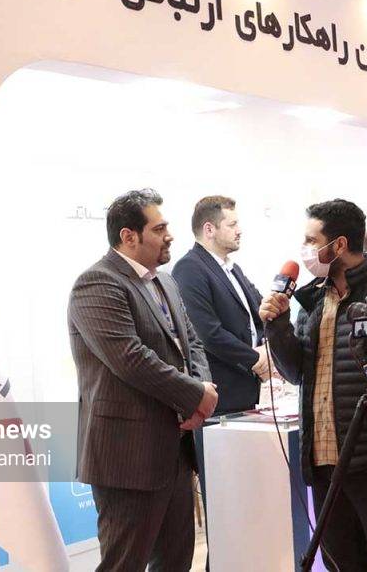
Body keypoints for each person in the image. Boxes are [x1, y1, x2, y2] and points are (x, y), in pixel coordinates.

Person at [259, 199, 367, 570]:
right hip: (324, 463)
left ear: (338, 245)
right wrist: (277, 326)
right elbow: (297, 372)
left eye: (311, 240)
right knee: (340, 562)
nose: (304, 249)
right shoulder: (312, 298)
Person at [68, 189, 218, 572]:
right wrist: (195, 395)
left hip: (175, 451)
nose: (170, 235)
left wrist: (201, 391)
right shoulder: (97, 284)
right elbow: (130, 358)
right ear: (128, 236)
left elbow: (191, 343)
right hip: (127, 458)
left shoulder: (165, 282)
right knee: (124, 564)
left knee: (176, 561)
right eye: (159, 228)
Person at [173, 195, 269, 415]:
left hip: (248, 391)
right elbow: (207, 333)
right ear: (209, 229)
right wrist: (256, 359)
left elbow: (259, 313)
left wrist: (267, 349)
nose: (239, 231)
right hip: (220, 395)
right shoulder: (190, 268)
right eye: (232, 225)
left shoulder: (232, 268)